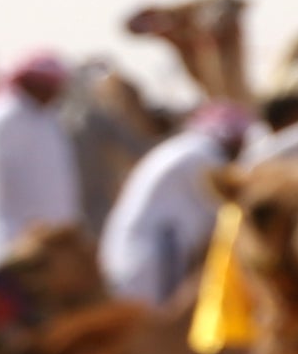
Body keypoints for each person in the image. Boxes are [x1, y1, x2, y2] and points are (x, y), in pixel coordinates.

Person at [99, 100, 252, 307]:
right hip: (153, 258)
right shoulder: (204, 155)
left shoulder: (183, 149)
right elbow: (227, 216)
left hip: (140, 253)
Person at [0, 50, 81, 264]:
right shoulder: (3, 116)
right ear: (32, 84)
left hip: (53, 226)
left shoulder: (48, 117)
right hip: (14, 225)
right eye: (49, 87)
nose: (54, 93)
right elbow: (5, 176)